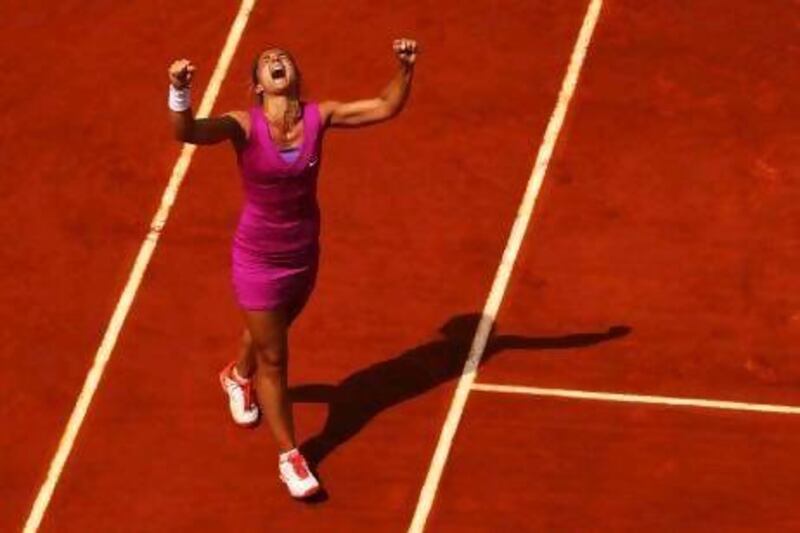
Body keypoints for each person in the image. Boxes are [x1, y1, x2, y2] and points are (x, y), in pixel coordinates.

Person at [167, 38, 418, 498]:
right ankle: (291, 456)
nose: (277, 62)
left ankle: (236, 376)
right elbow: (187, 131)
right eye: (266, 62)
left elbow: (384, 106)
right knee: (276, 357)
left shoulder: (320, 118)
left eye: (283, 58)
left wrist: (405, 69)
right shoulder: (243, 126)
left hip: (303, 253)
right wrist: (179, 90)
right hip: (258, 260)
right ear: (257, 86)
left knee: (273, 332)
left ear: (294, 75)